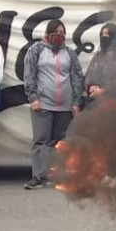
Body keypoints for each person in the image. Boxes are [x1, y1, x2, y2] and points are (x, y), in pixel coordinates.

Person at [23, 19, 84, 190]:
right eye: (56, 32)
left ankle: (58, 174)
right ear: (48, 34)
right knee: (41, 141)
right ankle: (38, 176)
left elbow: (77, 78)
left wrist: (76, 102)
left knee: (61, 142)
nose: (59, 36)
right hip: (42, 105)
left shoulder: (70, 53)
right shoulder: (36, 50)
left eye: (62, 33)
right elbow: (29, 75)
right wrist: (33, 97)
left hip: (65, 106)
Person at [84, 23, 116, 187]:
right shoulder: (99, 55)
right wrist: (91, 87)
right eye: (102, 35)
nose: (104, 39)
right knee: (101, 140)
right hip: (99, 105)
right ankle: (104, 173)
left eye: (108, 35)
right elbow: (89, 75)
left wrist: (103, 91)